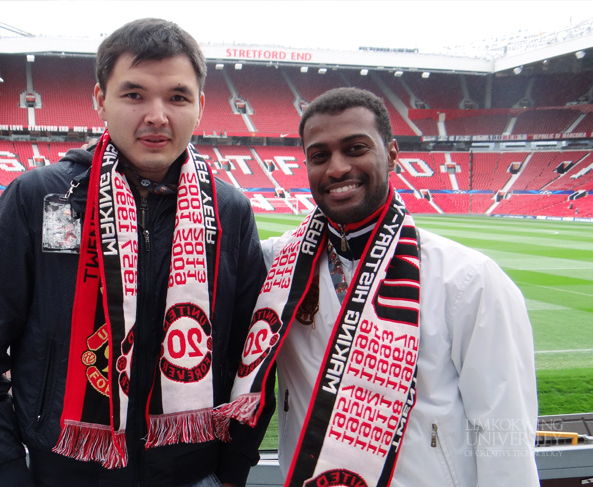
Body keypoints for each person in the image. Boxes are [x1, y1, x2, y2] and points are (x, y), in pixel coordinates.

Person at [0, 18, 272, 487]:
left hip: (194, 475)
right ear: (101, 100)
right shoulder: (39, 197)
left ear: (200, 107)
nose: (157, 115)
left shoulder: (231, 210)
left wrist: (235, 466)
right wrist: (7, 469)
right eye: (134, 95)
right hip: (63, 474)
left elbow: (252, 361)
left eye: (177, 97)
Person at [224, 87, 539, 487]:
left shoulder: (469, 279)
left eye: (355, 148)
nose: (337, 168)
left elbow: (505, 435)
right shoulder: (277, 265)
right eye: (319, 156)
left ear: (391, 153)